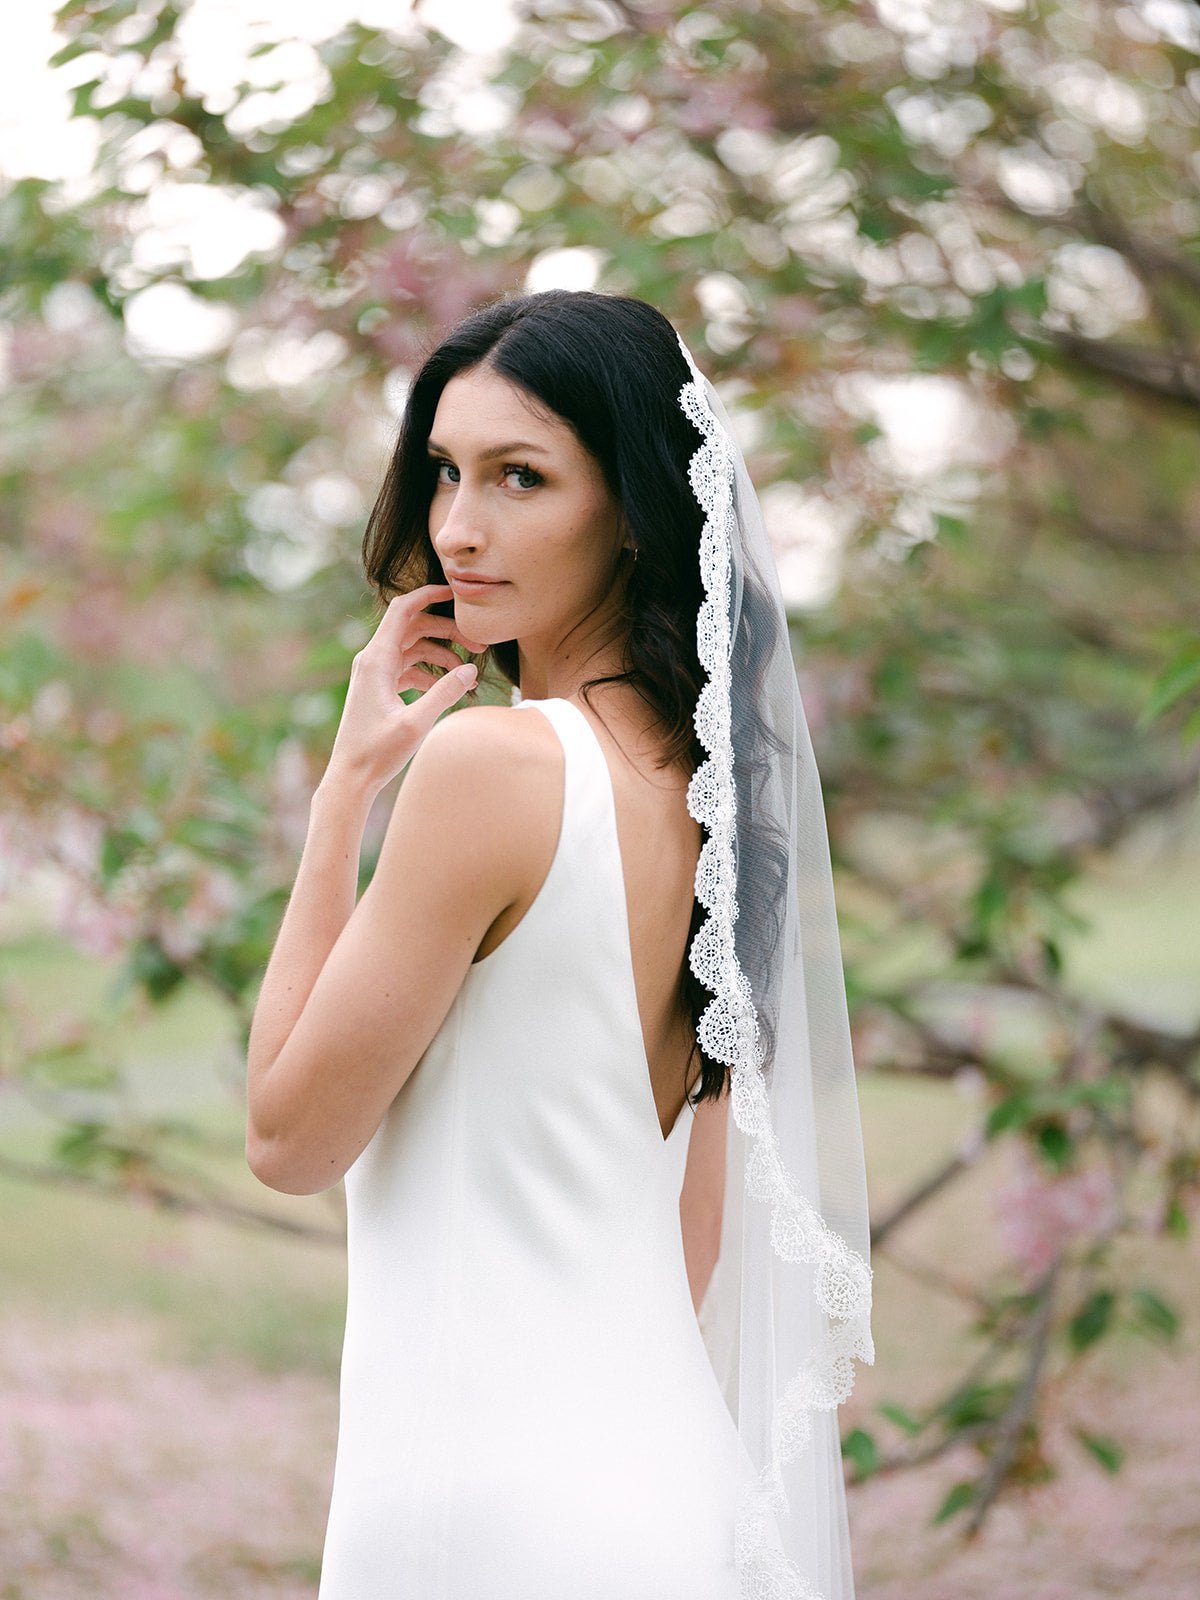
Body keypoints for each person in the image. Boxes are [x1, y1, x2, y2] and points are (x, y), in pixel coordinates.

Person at [245, 288, 874, 1600]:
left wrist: (341, 799)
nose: (457, 528)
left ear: (633, 506)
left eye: (520, 476)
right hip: (674, 1497)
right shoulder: (714, 795)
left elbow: (289, 1139)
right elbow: (695, 1237)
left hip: (491, 1518)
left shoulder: (491, 764)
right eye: (445, 472)